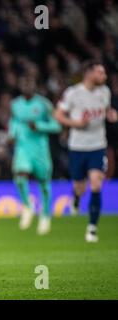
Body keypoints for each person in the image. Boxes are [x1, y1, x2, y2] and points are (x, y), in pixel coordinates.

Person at [55, 60, 118, 243]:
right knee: (80, 187)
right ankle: (75, 198)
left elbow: (106, 110)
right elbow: (58, 115)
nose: (104, 77)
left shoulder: (104, 92)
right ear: (89, 73)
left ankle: (92, 228)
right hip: (78, 147)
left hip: (97, 146)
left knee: (96, 184)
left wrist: (110, 115)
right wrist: (76, 124)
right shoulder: (73, 93)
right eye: (100, 73)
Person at [9, 76, 61, 235]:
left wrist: (38, 125)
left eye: (29, 83)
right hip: (23, 147)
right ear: (20, 85)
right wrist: (11, 133)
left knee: (44, 183)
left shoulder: (44, 104)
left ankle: (45, 216)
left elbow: (56, 126)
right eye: (24, 83)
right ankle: (27, 205)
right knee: (19, 174)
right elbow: (14, 121)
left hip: (39, 149)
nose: (26, 86)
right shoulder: (15, 104)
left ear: (35, 85)